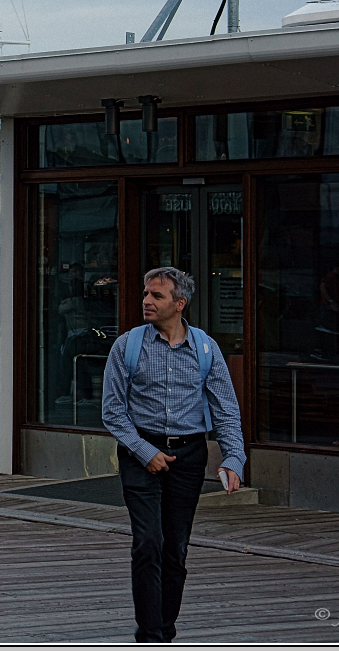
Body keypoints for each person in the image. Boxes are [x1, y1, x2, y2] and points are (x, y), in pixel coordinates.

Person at [101, 266, 245, 644]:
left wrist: (233, 459)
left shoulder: (205, 349)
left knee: (176, 548)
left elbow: (226, 409)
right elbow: (113, 410)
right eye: (146, 294)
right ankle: (150, 634)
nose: (147, 301)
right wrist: (145, 451)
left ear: (180, 304)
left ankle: (165, 629)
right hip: (139, 451)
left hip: (189, 456)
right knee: (148, 541)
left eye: (157, 296)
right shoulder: (127, 346)